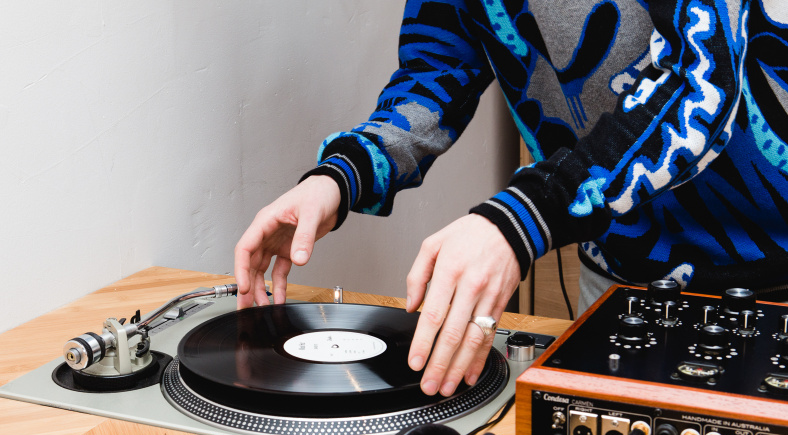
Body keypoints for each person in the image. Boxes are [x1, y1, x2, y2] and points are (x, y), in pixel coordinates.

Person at [235, 0, 788, 397]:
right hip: (619, 284)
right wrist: (336, 178)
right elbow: (433, 77)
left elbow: (702, 81)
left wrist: (520, 218)